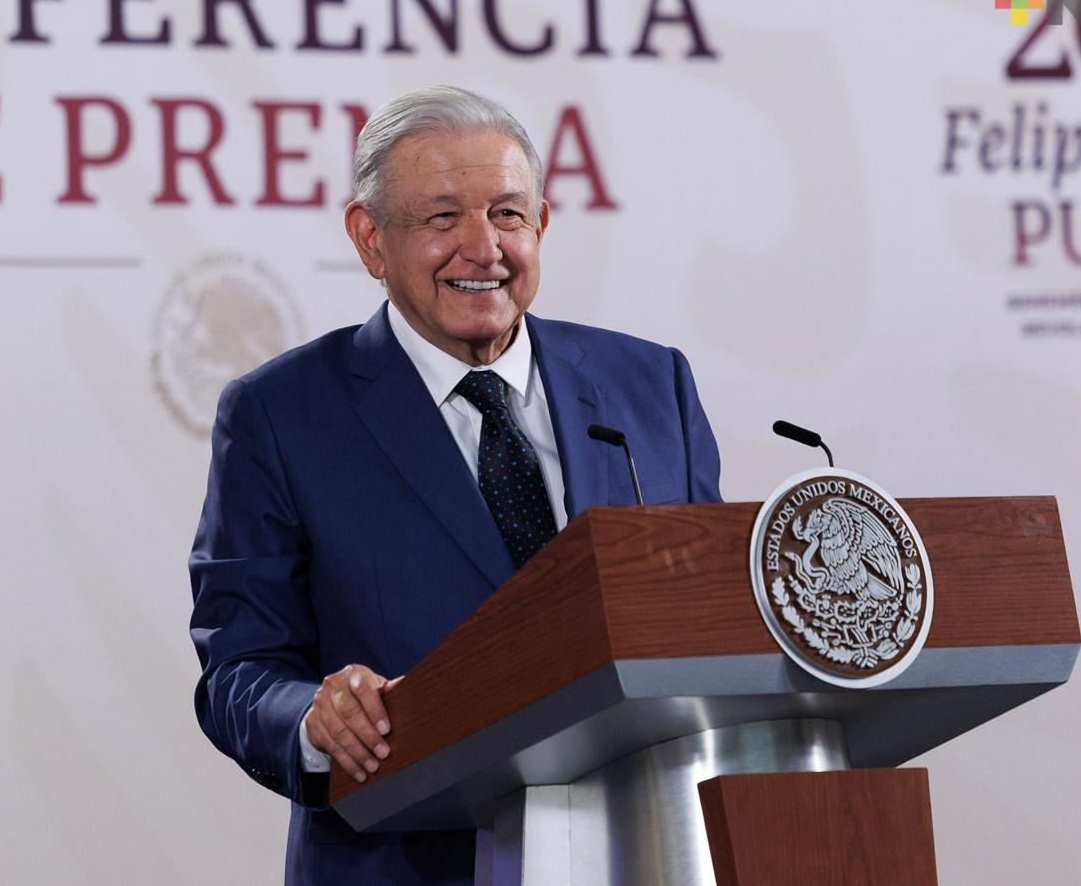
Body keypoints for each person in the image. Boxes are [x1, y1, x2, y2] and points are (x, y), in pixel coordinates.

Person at [189, 85, 721, 886]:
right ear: (371, 238)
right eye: (443, 218)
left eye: (507, 214)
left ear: (541, 225)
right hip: (406, 862)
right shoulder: (280, 415)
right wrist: (315, 719)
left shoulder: (651, 386)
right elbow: (240, 670)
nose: (483, 247)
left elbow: (712, 621)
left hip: (645, 850)